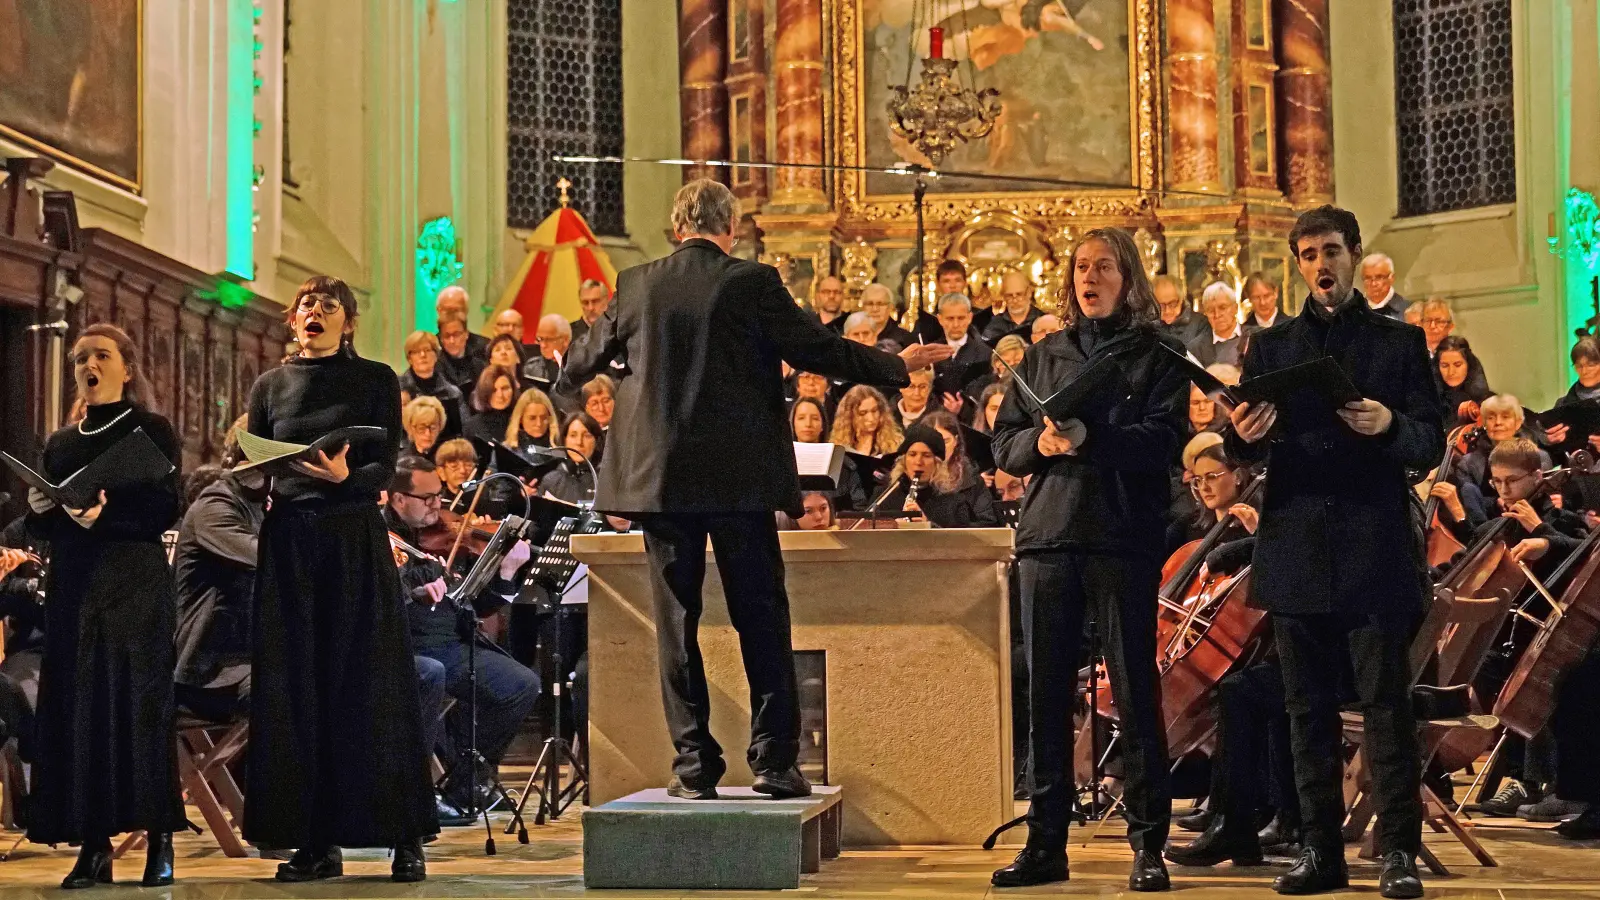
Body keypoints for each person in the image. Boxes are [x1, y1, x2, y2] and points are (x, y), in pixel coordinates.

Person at [561, 178, 951, 801]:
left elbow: (579, 363)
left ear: (674, 224)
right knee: (761, 616)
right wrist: (897, 365)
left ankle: (693, 766)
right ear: (731, 229)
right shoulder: (751, 283)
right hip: (739, 480)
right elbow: (819, 350)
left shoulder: (637, 284)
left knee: (675, 620)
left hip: (659, 482)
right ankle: (773, 763)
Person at [1225, 206, 1441, 899]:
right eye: (1309, 253)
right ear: (1298, 263)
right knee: (1304, 710)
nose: (1322, 264)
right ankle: (1320, 851)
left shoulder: (1398, 343)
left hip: (1371, 542)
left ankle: (1399, 852)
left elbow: (1428, 441)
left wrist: (1389, 424)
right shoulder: (1271, 347)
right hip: (1292, 542)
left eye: (1333, 251)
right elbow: (1242, 445)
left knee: (1386, 706)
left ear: (1353, 255)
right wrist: (1245, 435)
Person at [989, 226, 1187, 892]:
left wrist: (1090, 436)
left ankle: (1146, 845)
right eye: (1080, 267)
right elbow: (1006, 445)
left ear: (1128, 278)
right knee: (1046, 695)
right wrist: (1043, 447)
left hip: (1121, 536)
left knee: (1134, 692)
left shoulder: (1158, 356)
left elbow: (1163, 441)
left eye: (1103, 266)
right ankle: (1046, 843)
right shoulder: (1044, 354)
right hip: (1048, 538)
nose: (1089, 276)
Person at [244, 275, 436, 883]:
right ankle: (315, 842)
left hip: (352, 535)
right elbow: (255, 462)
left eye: (329, 306)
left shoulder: (375, 378)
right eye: (307, 305)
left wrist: (343, 477)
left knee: (373, 680)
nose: (315, 313)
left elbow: (386, 465)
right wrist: (256, 470)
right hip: (292, 542)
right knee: (300, 685)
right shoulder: (270, 385)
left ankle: (404, 836)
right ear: (293, 319)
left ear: (347, 322)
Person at [23, 323, 187, 889]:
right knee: (81, 710)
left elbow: (166, 508)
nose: (87, 366)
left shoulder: (151, 430)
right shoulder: (63, 443)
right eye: (79, 359)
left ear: (127, 367)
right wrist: (44, 506)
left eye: (99, 356)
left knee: (138, 707)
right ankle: (93, 846)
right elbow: (42, 524)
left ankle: (159, 840)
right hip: (75, 586)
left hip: (134, 583)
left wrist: (103, 517)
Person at [384, 457, 540, 814]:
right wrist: (414, 586)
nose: (438, 506)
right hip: (411, 644)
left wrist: (507, 571)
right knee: (431, 676)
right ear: (398, 499)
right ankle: (418, 795)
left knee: (521, 684)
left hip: (454, 642)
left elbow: (477, 604)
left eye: (440, 496)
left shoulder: (445, 537)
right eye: (427, 498)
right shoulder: (381, 538)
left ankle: (468, 784)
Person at [173, 422, 267, 726]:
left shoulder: (258, 505)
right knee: (288, 691)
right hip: (211, 671)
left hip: (247, 661)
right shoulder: (215, 506)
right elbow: (265, 558)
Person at [874, 424, 998, 528]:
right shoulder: (884, 496)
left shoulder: (954, 502)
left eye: (926, 455)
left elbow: (961, 544)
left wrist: (928, 526)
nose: (918, 462)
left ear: (937, 463)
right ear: (903, 460)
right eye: (912, 454)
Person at [398, 331, 467, 441]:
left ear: (436, 355)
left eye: (427, 350)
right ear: (409, 358)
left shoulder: (452, 393)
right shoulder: (398, 390)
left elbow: (464, 429)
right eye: (416, 352)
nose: (422, 355)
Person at [933, 292, 993, 399]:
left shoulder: (985, 354)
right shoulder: (930, 353)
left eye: (961, 318)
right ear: (940, 319)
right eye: (950, 318)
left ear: (969, 317)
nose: (956, 324)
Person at [540, 412, 606, 504]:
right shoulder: (551, 481)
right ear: (564, 440)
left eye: (586, 436)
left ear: (597, 441)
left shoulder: (609, 479)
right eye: (573, 435)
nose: (579, 442)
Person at [830, 385, 904, 457]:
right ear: (850, 417)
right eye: (862, 413)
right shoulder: (838, 448)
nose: (871, 418)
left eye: (874, 411)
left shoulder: (895, 444)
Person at [1435, 335, 1492, 426]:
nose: (1451, 372)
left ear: (1469, 365)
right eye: (1445, 365)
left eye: (1457, 365)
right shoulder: (1427, 403)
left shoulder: (1490, 403)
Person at [1187, 282, 1245, 367]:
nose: (1217, 315)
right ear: (1205, 314)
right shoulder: (1196, 349)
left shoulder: (1253, 337)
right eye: (1210, 310)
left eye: (1222, 308)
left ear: (1235, 308)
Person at [982, 271, 1043, 344]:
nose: (1015, 300)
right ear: (1004, 296)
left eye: (1019, 294)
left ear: (1029, 293)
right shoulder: (995, 325)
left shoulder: (1043, 320)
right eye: (1009, 295)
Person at [465, 365, 518, 445]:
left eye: (505, 388)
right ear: (484, 392)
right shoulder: (472, 426)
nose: (500, 395)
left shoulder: (524, 421)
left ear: (513, 390)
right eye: (493, 390)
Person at [437, 315, 486, 397]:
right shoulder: (434, 366)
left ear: (466, 334)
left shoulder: (480, 364)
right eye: (447, 336)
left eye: (456, 334)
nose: (452, 341)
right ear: (441, 339)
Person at [860, 283, 916, 351]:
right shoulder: (853, 335)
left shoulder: (905, 339)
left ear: (890, 307)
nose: (875, 309)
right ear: (863, 307)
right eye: (870, 303)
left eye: (880, 304)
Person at [1154, 274, 1206, 344]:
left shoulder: (1200, 325)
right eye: (1161, 306)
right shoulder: (1148, 327)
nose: (1167, 311)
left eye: (1172, 304)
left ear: (1181, 300)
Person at [1360, 252, 1409, 321]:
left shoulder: (1409, 310)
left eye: (1379, 277)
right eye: (1368, 278)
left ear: (1391, 278)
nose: (1374, 283)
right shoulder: (1352, 312)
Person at [434, 438, 479, 508]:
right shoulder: (437, 504)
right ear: (441, 472)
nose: (462, 470)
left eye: (468, 465)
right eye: (454, 466)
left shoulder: (486, 497)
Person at [401, 395, 448, 462]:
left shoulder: (448, 459)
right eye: (421, 428)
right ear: (411, 428)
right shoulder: (401, 461)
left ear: (440, 427)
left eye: (433, 428)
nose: (428, 433)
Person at [572, 278, 612, 345]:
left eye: (595, 301)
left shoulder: (618, 329)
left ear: (607, 300)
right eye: (585, 302)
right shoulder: (569, 334)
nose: (590, 308)